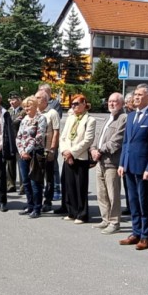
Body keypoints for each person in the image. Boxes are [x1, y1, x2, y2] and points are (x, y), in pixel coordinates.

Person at [118, 85, 148, 250]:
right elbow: (126, 142)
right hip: (129, 166)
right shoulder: (130, 117)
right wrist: (122, 163)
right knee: (133, 202)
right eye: (135, 94)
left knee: (144, 202)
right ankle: (135, 232)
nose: (135, 97)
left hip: (143, 168)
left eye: (139, 95)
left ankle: (145, 236)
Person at [91, 93, 127, 234]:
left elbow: (117, 141)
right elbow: (98, 136)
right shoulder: (108, 117)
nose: (111, 104)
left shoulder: (124, 118)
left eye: (115, 102)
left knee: (113, 193)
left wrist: (100, 150)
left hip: (112, 161)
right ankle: (105, 219)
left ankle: (114, 222)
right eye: (110, 101)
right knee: (102, 193)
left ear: (122, 103)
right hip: (100, 160)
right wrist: (93, 149)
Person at [59, 95, 96, 224]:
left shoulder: (89, 120)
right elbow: (63, 137)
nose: (73, 106)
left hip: (80, 157)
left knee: (80, 186)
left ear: (84, 104)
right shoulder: (70, 118)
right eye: (72, 104)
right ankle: (72, 211)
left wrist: (72, 153)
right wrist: (64, 151)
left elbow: (88, 140)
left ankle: (82, 214)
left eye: (76, 104)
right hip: (67, 156)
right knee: (69, 185)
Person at [15, 96, 47, 219]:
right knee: (26, 182)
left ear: (35, 106)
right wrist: (22, 151)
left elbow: (39, 137)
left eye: (29, 106)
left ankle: (37, 208)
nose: (27, 108)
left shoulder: (41, 118)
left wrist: (27, 150)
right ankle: (29, 205)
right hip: (23, 154)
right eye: (25, 106)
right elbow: (19, 136)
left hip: (35, 154)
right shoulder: (24, 119)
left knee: (35, 182)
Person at [35, 91, 62, 213]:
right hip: (36, 150)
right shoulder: (35, 112)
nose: (36, 99)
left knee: (49, 177)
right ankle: (37, 202)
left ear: (45, 100)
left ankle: (48, 201)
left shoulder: (52, 113)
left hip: (48, 149)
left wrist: (52, 149)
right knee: (37, 177)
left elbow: (56, 132)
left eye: (38, 98)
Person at [6, 92, 26, 194]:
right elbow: (7, 124)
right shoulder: (8, 111)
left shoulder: (24, 111)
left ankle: (23, 186)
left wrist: (13, 121)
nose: (11, 102)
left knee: (21, 164)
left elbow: (16, 123)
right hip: (10, 140)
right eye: (10, 100)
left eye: (13, 100)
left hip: (20, 141)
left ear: (19, 100)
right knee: (10, 163)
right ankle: (11, 185)